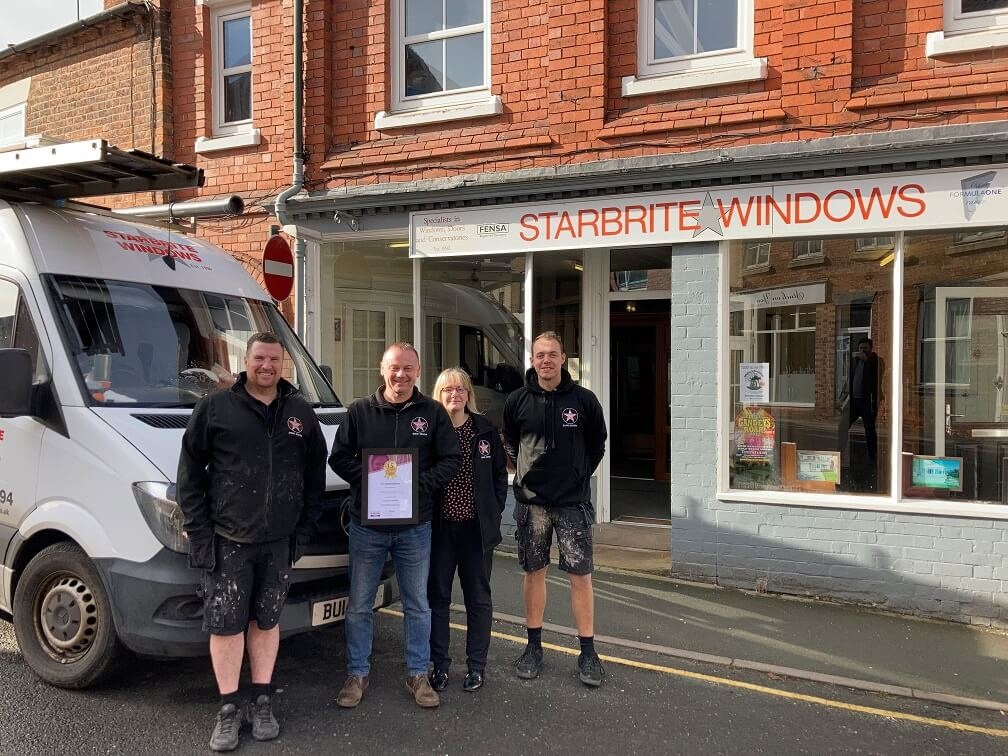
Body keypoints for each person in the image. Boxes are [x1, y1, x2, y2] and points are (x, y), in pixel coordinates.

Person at [177, 332, 326, 752]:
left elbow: (315, 474)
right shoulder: (216, 408)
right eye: (259, 358)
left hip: (279, 542)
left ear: (283, 363)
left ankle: (262, 699)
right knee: (226, 627)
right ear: (247, 360)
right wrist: (201, 534)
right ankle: (228, 709)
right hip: (228, 541)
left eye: (274, 359)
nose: (267, 366)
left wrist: (304, 531)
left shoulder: (299, 412)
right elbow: (189, 473)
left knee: (267, 621)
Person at [328, 343, 461, 709]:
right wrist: (370, 479)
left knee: (417, 604)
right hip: (366, 527)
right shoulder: (359, 411)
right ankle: (357, 673)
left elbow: (451, 459)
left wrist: (417, 483)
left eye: (408, 368)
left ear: (418, 372)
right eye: (394, 368)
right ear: (381, 369)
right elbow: (338, 457)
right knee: (359, 604)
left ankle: (418, 673)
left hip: (415, 527)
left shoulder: (432, 413)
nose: (400, 375)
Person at [502, 331, 607, 687]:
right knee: (534, 574)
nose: (546, 360)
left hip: (573, 504)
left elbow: (597, 445)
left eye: (552, 354)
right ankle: (533, 647)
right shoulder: (517, 400)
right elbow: (512, 445)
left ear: (564, 358)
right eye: (539, 354)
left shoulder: (584, 401)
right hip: (532, 504)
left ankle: (589, 653)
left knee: (581, 577)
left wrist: (577, 474)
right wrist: (528, 475)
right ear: (532, 360)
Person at [427, 367, 508, 694]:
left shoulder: (484, 429)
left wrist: (494, 510)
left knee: (478, 599)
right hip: (440, 530)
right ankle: (439, 665)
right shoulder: (430, 430)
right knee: (438, 598)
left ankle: (476, 667)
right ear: (439, 394)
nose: (454, 395)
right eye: (448, 390)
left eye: (460, 389)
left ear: (468, 394)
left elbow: (500, 475)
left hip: (476, 531)